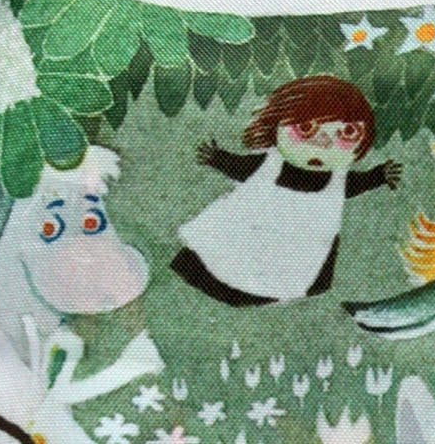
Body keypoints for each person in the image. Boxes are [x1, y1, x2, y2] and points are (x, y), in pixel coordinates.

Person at [171, 75, 400, 305]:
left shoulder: (339, 181)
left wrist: (379, 175)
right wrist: (217, 158)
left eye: (348, 132)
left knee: (280, 279)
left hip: (296, 250)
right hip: (247, 234)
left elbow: (359, 183)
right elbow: (239, 167)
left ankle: (257, 294)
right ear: (276, 126)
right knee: (215, 263)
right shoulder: (268, 164)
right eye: (306, 128)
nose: (324, 142)